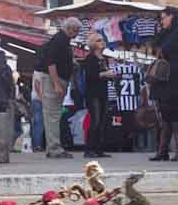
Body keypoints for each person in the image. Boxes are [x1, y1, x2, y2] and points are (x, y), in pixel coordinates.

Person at [35, 17, 82, 159]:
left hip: (56, 79)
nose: (77, 33)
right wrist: (56, 83)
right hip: (52, 80)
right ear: (69, 28)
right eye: (76, 30)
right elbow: (51, 62)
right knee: (52, 115)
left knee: (53, 114)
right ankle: (54, 148)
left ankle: (53, 147)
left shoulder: (62, 40)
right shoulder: (59, 40)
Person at [149, 6, 178, 161]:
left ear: (172, 17)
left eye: (163, 17)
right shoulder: (167, 33)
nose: (161, 20)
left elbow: (164, 50)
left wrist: (160, 46)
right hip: (163, 75)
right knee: (164, 114)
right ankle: (163, 150)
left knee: (174, 112)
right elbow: (156, 48)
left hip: (171, 75)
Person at [83, 32, 117, 158]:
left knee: (102, 121)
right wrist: (105, 74)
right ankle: (89, 149)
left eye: (102, 40)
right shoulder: (90, 58)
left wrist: (111, 76)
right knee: (95, 120)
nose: (102, 42)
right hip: (93, 94)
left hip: (103, 92)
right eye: (98, 40)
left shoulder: (104, 58)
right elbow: (90, 76)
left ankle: (98, 149)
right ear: (93, 44)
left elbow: (104, 74)